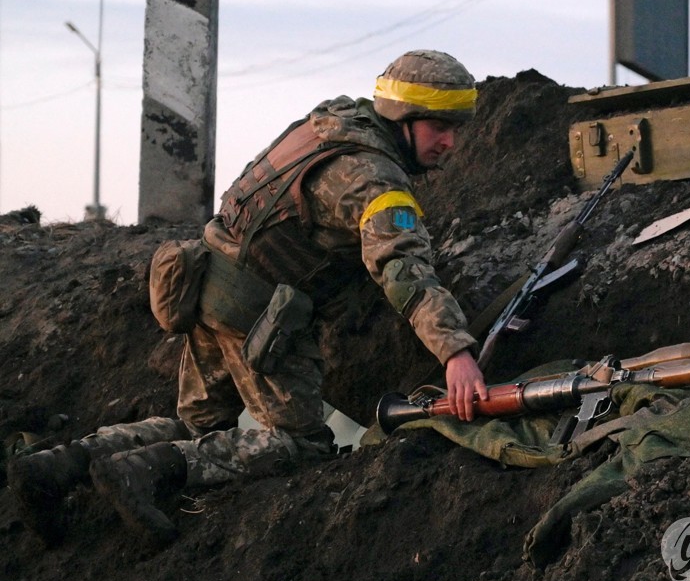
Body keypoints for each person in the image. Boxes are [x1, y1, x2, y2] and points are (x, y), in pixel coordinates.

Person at [7, 49, 489, 546]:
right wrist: (455, 352)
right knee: (300, 443)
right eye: (438, 127)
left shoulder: (330, 123)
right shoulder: (375, 181)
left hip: (203, 281)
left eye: (456, 128)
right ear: (402, 118)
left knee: (200, 427)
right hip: (256, 316)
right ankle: (142, 470)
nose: (450, 142)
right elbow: (403, 269)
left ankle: (58, 466)